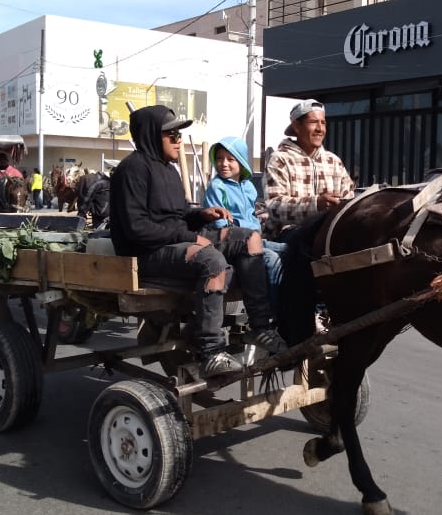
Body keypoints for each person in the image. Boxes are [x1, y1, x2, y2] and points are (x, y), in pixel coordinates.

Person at [109, 105, 288, 378]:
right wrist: (191, 237)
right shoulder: (131, 170)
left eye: (179, 135)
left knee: (251, 238)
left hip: (174, 243)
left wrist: (200, 215)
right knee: (213, 261)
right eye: (172, 135)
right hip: (144, 254)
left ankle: (260, 328)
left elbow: (177, 216)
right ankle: (211, 351)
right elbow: (138, 229)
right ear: (151, 135)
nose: (178, 140)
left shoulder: (169, 171)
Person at [204, 136, 285, 309]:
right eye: (219, 158)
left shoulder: (248, 187)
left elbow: (252, 217)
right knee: (271, 259)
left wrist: (254, 229)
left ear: (241, 161)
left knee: (291, 251)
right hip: (233, 243)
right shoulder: (216, 187)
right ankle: (272, 313)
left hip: (255, 239)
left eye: (230, 159)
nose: (223, 163)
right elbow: (220, 226)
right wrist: (246, 230)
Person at [263, 98, 355, 241]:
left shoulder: (333, 161)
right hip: (287, 235)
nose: (320, 129)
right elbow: (274, 206)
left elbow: (349, 199)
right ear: (296, 126)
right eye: (313, 122)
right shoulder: (280, 159)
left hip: (328, 232)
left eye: (323, 123)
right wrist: (315, 204)